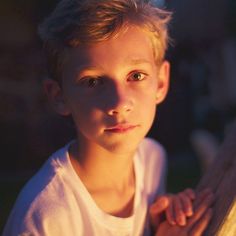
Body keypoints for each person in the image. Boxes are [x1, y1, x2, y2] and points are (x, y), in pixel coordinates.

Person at [3, 0, 214, 235]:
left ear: (161, 82)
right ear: (59, 96)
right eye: (93, 81)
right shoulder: (45, 216)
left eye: (136, 75)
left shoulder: (152, 160)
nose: (119, 103)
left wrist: (159, 227)